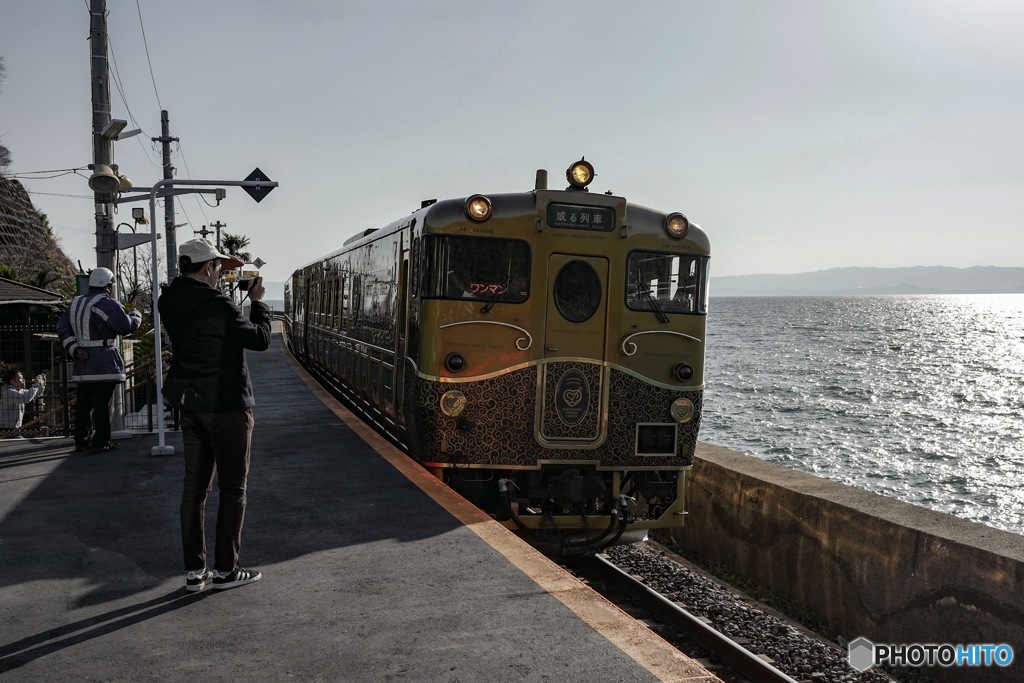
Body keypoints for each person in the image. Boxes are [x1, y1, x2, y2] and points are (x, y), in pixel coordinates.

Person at [158, 238, 271, 592]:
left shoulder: (169, 300)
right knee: (233, 487)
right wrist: (258, 303)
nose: (221, 273)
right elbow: (260, 339)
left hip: (191, 405)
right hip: (226, 406)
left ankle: (195, 572)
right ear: (208, 267)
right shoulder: (218, 303)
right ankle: (225, 570)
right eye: (218, 268)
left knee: (194, 489)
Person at [56, 267, 142, 452]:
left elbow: (62, 328)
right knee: (103, 404)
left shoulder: (75, 303)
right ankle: (101, 441)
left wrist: (74, 348)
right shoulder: (107, 303)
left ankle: (81, 440)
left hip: (82, 363)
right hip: (104, 361)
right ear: (108, 286)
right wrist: (136, 315)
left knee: (84, 404)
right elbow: (125, 326)